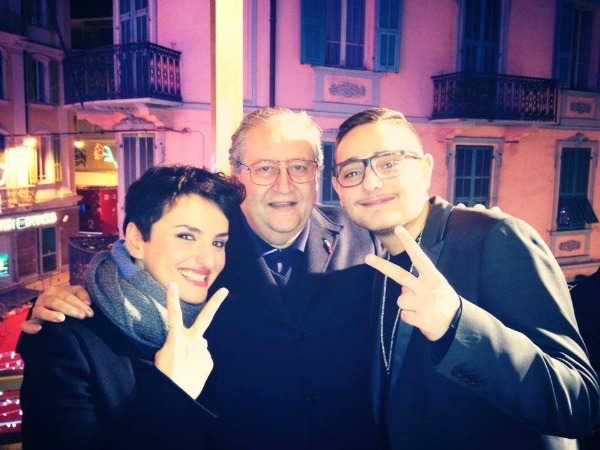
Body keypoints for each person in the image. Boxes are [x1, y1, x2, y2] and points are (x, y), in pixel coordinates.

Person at [21, 107, 380, 449]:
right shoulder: (211, 251)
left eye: (299, 167)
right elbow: (137, 257)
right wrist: (54, 304)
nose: (283, 185)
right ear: (237, 174)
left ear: (317, 173)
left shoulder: (365, 235)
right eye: (265, 168)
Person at [331, 107, 600, 449]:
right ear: (339, 189)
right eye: (353, 171)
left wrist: (457, 325)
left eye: (388, 163)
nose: (370, 182)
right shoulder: (375, 263)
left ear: (424, 169)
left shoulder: (495, 238)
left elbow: (578, 402)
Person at [17, 164, 244, 449]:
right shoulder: (67, 339)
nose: (209, 260)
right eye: (186, 236)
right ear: (137, 240)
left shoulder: (221, 321)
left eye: (218, 243)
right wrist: (173, 394)